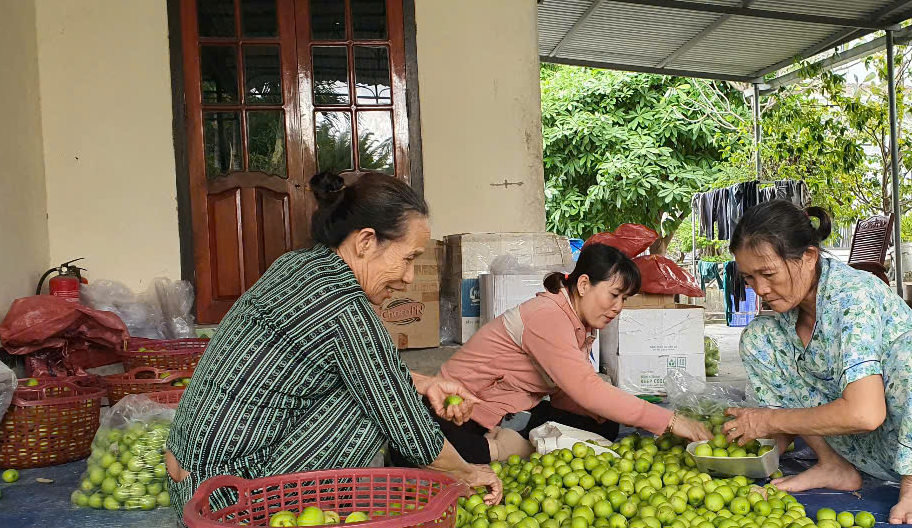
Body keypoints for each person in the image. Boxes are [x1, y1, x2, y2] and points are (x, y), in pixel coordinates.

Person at [165, 172, 501, 508]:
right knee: (380, 408)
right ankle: (279, 525)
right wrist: (469, 474)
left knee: (376, 390)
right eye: (408, 258)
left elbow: (363, 370)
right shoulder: (344, 309)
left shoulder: (297, 266)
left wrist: (425, 383)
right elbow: (408, 428)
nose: (409, 277)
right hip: (230, 502)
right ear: (366, 242)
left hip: (193, 488)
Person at [721, 201, 912, 524]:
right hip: (867, 451)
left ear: (809, 257)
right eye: (748, 278)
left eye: (768, 274)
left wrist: (769, 420)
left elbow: (865, 413)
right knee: (758, 337)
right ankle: (832, 465)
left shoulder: (853, 297)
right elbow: (786, 413)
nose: (760, 289)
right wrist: (737, 435)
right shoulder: (788, 318)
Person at [421, 243, 713, 465]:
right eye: (614, 295)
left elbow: (564, 388)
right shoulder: (548, 316)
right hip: (458, 412)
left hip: (509, 408)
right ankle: (503, 447)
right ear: (584, 285)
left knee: (604, 423)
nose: (618, 307)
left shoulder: (579, 323)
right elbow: (586, 388)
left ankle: (512, 439)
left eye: (624, 299)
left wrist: (597, 411)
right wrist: (670, 420)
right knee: (440, 453)